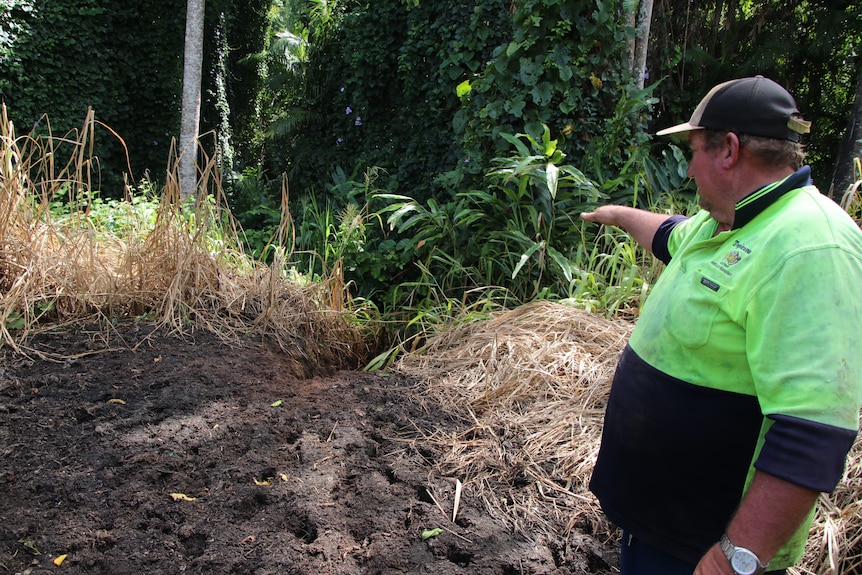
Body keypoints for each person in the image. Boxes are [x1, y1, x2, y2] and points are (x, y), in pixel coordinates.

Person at [580, 76, 862, 575]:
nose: (688, 170)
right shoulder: (730, 223)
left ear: (728, 149)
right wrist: (620, 215)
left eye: (693, 152)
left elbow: (812, 433)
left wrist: (733, 558)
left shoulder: (810, 245)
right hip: (662, 529)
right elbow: (668, 235)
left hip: (707, 550)